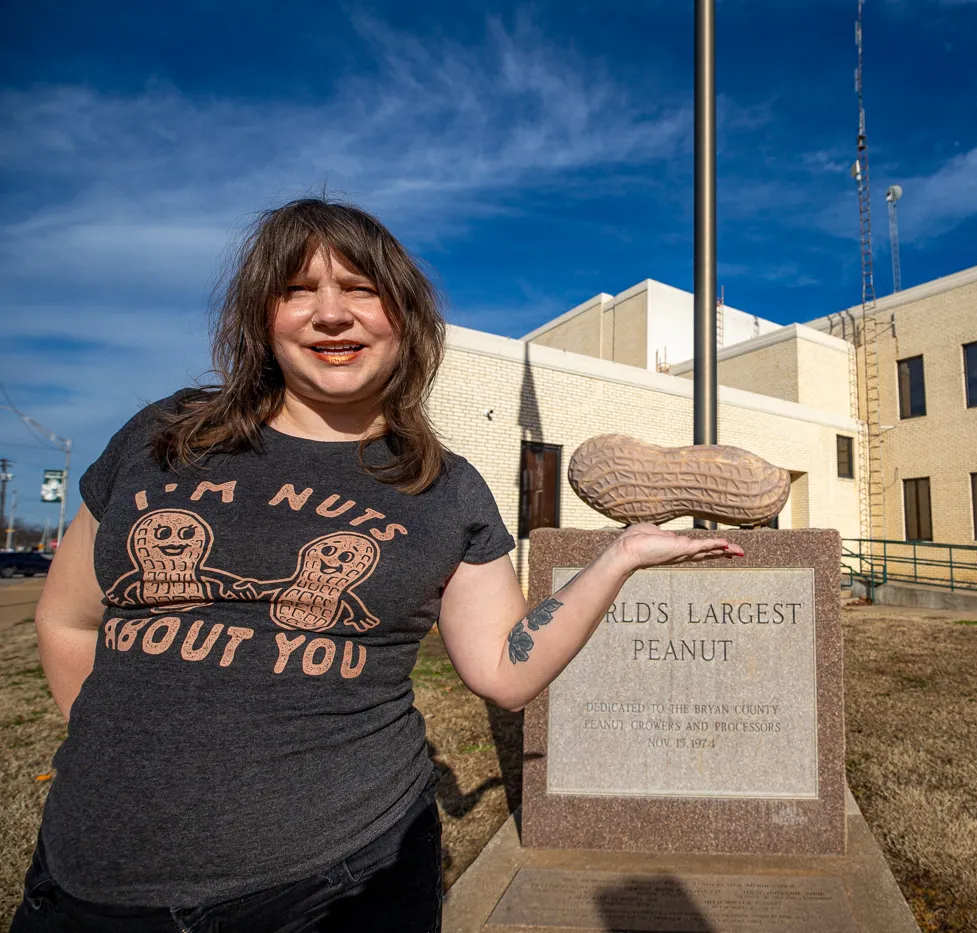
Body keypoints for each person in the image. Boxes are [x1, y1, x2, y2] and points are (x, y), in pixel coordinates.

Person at [13, 198, 741, 933]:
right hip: (92, 881)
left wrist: (619, 556)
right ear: (263, 318)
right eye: (298, 290)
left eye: (360, 289)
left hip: (341, 883)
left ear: (405, 318)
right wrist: (128, 754)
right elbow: (68, 619)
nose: (331, 313)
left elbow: (504, 667)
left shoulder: (443, 487)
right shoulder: (164, 438)